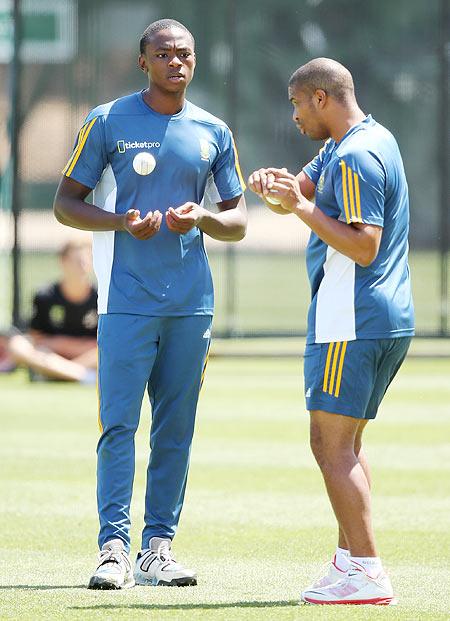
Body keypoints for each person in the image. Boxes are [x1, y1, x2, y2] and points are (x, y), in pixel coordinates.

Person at [53, 18, 247, 590]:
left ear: (195, 60)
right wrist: (120, 224)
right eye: (163, 54)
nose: (176, 62)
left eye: (184, 53)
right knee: (118, 425)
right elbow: (66, 203)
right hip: (125, 300)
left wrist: (206, 216)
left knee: (175, 430)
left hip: (191, 303)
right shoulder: (108, 120)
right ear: (144, 62)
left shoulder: (214, 130)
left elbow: (237, 219)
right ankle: (112, 548)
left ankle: (156, 549)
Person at [248, 58, 414, 606]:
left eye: (297, 103)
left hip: (352, 319)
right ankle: (349, 561)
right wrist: (277, 189)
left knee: (329, 445)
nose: (293, 115)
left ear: (321, 98)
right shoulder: (360, 140)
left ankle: (367, 571)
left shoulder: (356, 155)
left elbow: (363, 245)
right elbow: (297, 192)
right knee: (348, 443)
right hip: (379, 318)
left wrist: (297, 206)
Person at [8, 240, 97, 383]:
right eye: (78, 261)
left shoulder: (101, 297)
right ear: (63, 262)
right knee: (17, 345)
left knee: (105, 352)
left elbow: (102, 343)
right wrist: (62, 345)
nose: (83, 266)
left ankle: (58, 373)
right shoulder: (45, 296)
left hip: (86, 358)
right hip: (51, 356)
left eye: (88, 260)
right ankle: (84, 376)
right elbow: (37, 339)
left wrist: (61, 344)